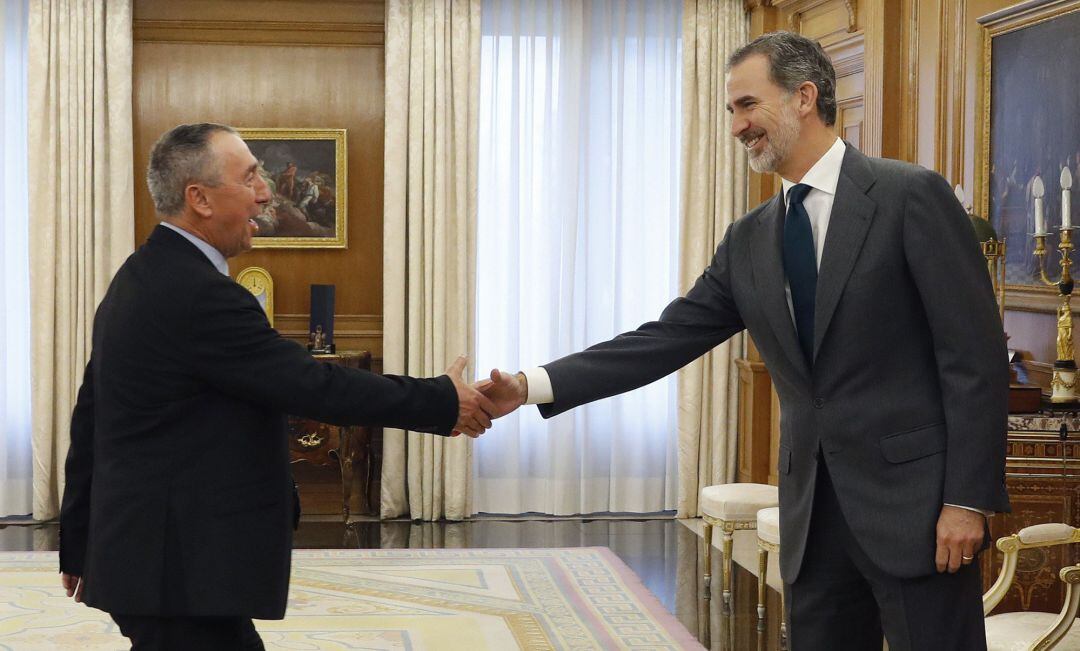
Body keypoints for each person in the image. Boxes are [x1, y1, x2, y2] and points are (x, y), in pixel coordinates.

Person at [479, 32, 1009, 650]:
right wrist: (528, 385)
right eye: (732, 110)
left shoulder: (909, 195)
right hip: (813, 524)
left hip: (919, 515)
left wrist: (966, 500)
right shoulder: (750, 239)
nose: (737, 126)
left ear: (804, 96)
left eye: (748, 105)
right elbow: (662, 340)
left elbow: (972, 360)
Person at [58, 122, 496, 650]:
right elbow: (311, 385)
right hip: (175, 566)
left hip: (158, 561)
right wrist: (443, 399)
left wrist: (78, 540)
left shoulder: (142, 274)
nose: (265, 192)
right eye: (249, 178)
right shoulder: (198, 294)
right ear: (198, 198)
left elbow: (92, 414)